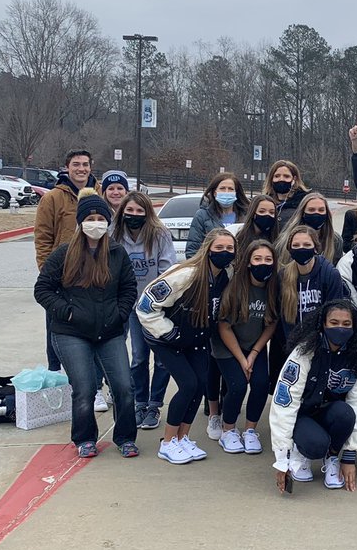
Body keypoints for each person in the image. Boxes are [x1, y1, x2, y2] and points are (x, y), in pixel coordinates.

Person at [34, 187, 138, 458]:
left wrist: (120, 313)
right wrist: (66, 312)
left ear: (108, 221)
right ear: (80, 223)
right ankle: (84, 437)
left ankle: (125, 437)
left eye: (101, 219)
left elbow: (128, 289)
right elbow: (42, 289)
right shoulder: (64, 254)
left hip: (110, 331)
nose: (96, 224)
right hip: (71, 332)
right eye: (90, 219)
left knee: (124, 387)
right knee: (85, 388)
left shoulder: (117, 254)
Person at [137, 227, 236, 465]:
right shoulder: (185, 275)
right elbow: (146, 305)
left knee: (201, 385)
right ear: (207, 249)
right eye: (219, 248)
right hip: (167, 339)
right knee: (188, 384)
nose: (224, 252)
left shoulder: (227, 274)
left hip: (197, 339)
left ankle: (183, 437)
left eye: (230, 248)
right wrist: (169, 332)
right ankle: (168, 442)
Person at [270, 299, 357, 491]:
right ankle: (302, 452)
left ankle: (332, 456)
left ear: (354, 326)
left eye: (346, 324)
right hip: (303, 414)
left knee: (346, 413)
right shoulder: (304, 352)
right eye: (334, 323)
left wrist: (349, 456)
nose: (340, 328)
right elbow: (285, 401)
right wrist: (283, 459)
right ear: (323, 324)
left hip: (330, 412)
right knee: (315, 445)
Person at [111, 191, 176, 429]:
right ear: (122, 212)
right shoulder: (113, 233)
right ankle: (140, 402)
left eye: (140, 211)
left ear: (147, 213)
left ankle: (154, 405)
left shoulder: (159, 235)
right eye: (130, 211)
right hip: (126, 303)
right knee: (138, 357)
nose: (134, 215)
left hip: (154, 306)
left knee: (161, 359)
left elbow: (166, 271)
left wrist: (156, 303)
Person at [213, 239, 279, 456]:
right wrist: (242, 359)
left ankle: (250, 431)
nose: (263, 263)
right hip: (228, 347)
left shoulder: (272, 288)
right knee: (238, 385)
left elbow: (271, 324)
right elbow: (224, 327)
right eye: (258, 258)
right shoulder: (236, 287)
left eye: (268, 259)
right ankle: (228, 430)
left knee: (260, 384)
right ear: (249, 262)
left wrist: (254, 353)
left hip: (254, 346)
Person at [34, 149, 96, 372]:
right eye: (76, 164)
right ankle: (56, 372)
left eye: (85, 164)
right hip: (61, 272)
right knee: (56, 323)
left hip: (93, 272)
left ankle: (90, 377)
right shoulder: (53, 198)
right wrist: (46, 269)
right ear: (67, 168)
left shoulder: (97, 193)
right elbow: (42, 237)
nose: (81, 169)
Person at [277, 225, 350, 342]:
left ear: (316, 248)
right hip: (293, 344)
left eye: (307, 245)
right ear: (290, 250)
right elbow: (284, 321)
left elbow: (334, 313)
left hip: (322, 342)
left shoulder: (330, 274)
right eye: (296, 245)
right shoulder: (283, 276)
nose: (301, 249)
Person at [186, 173, 250, 257]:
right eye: (222, 188)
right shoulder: (202, 216)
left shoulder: (247, 216)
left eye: (230, 189)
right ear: (214, 192)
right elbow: (192, 250)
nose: (226, 192)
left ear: (236, 193)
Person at [282, 191, 343, 263]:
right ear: (303, 213)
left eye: (321, 210)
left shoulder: (335, 240)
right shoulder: (288, 238)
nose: (316, 213)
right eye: (311, 210)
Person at [265, 159, 309, 226]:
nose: (281, 179)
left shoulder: (304, 202)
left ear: (294, 179)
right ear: (271, 179)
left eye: (286, 176)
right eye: (277, 176)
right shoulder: (264, 202)